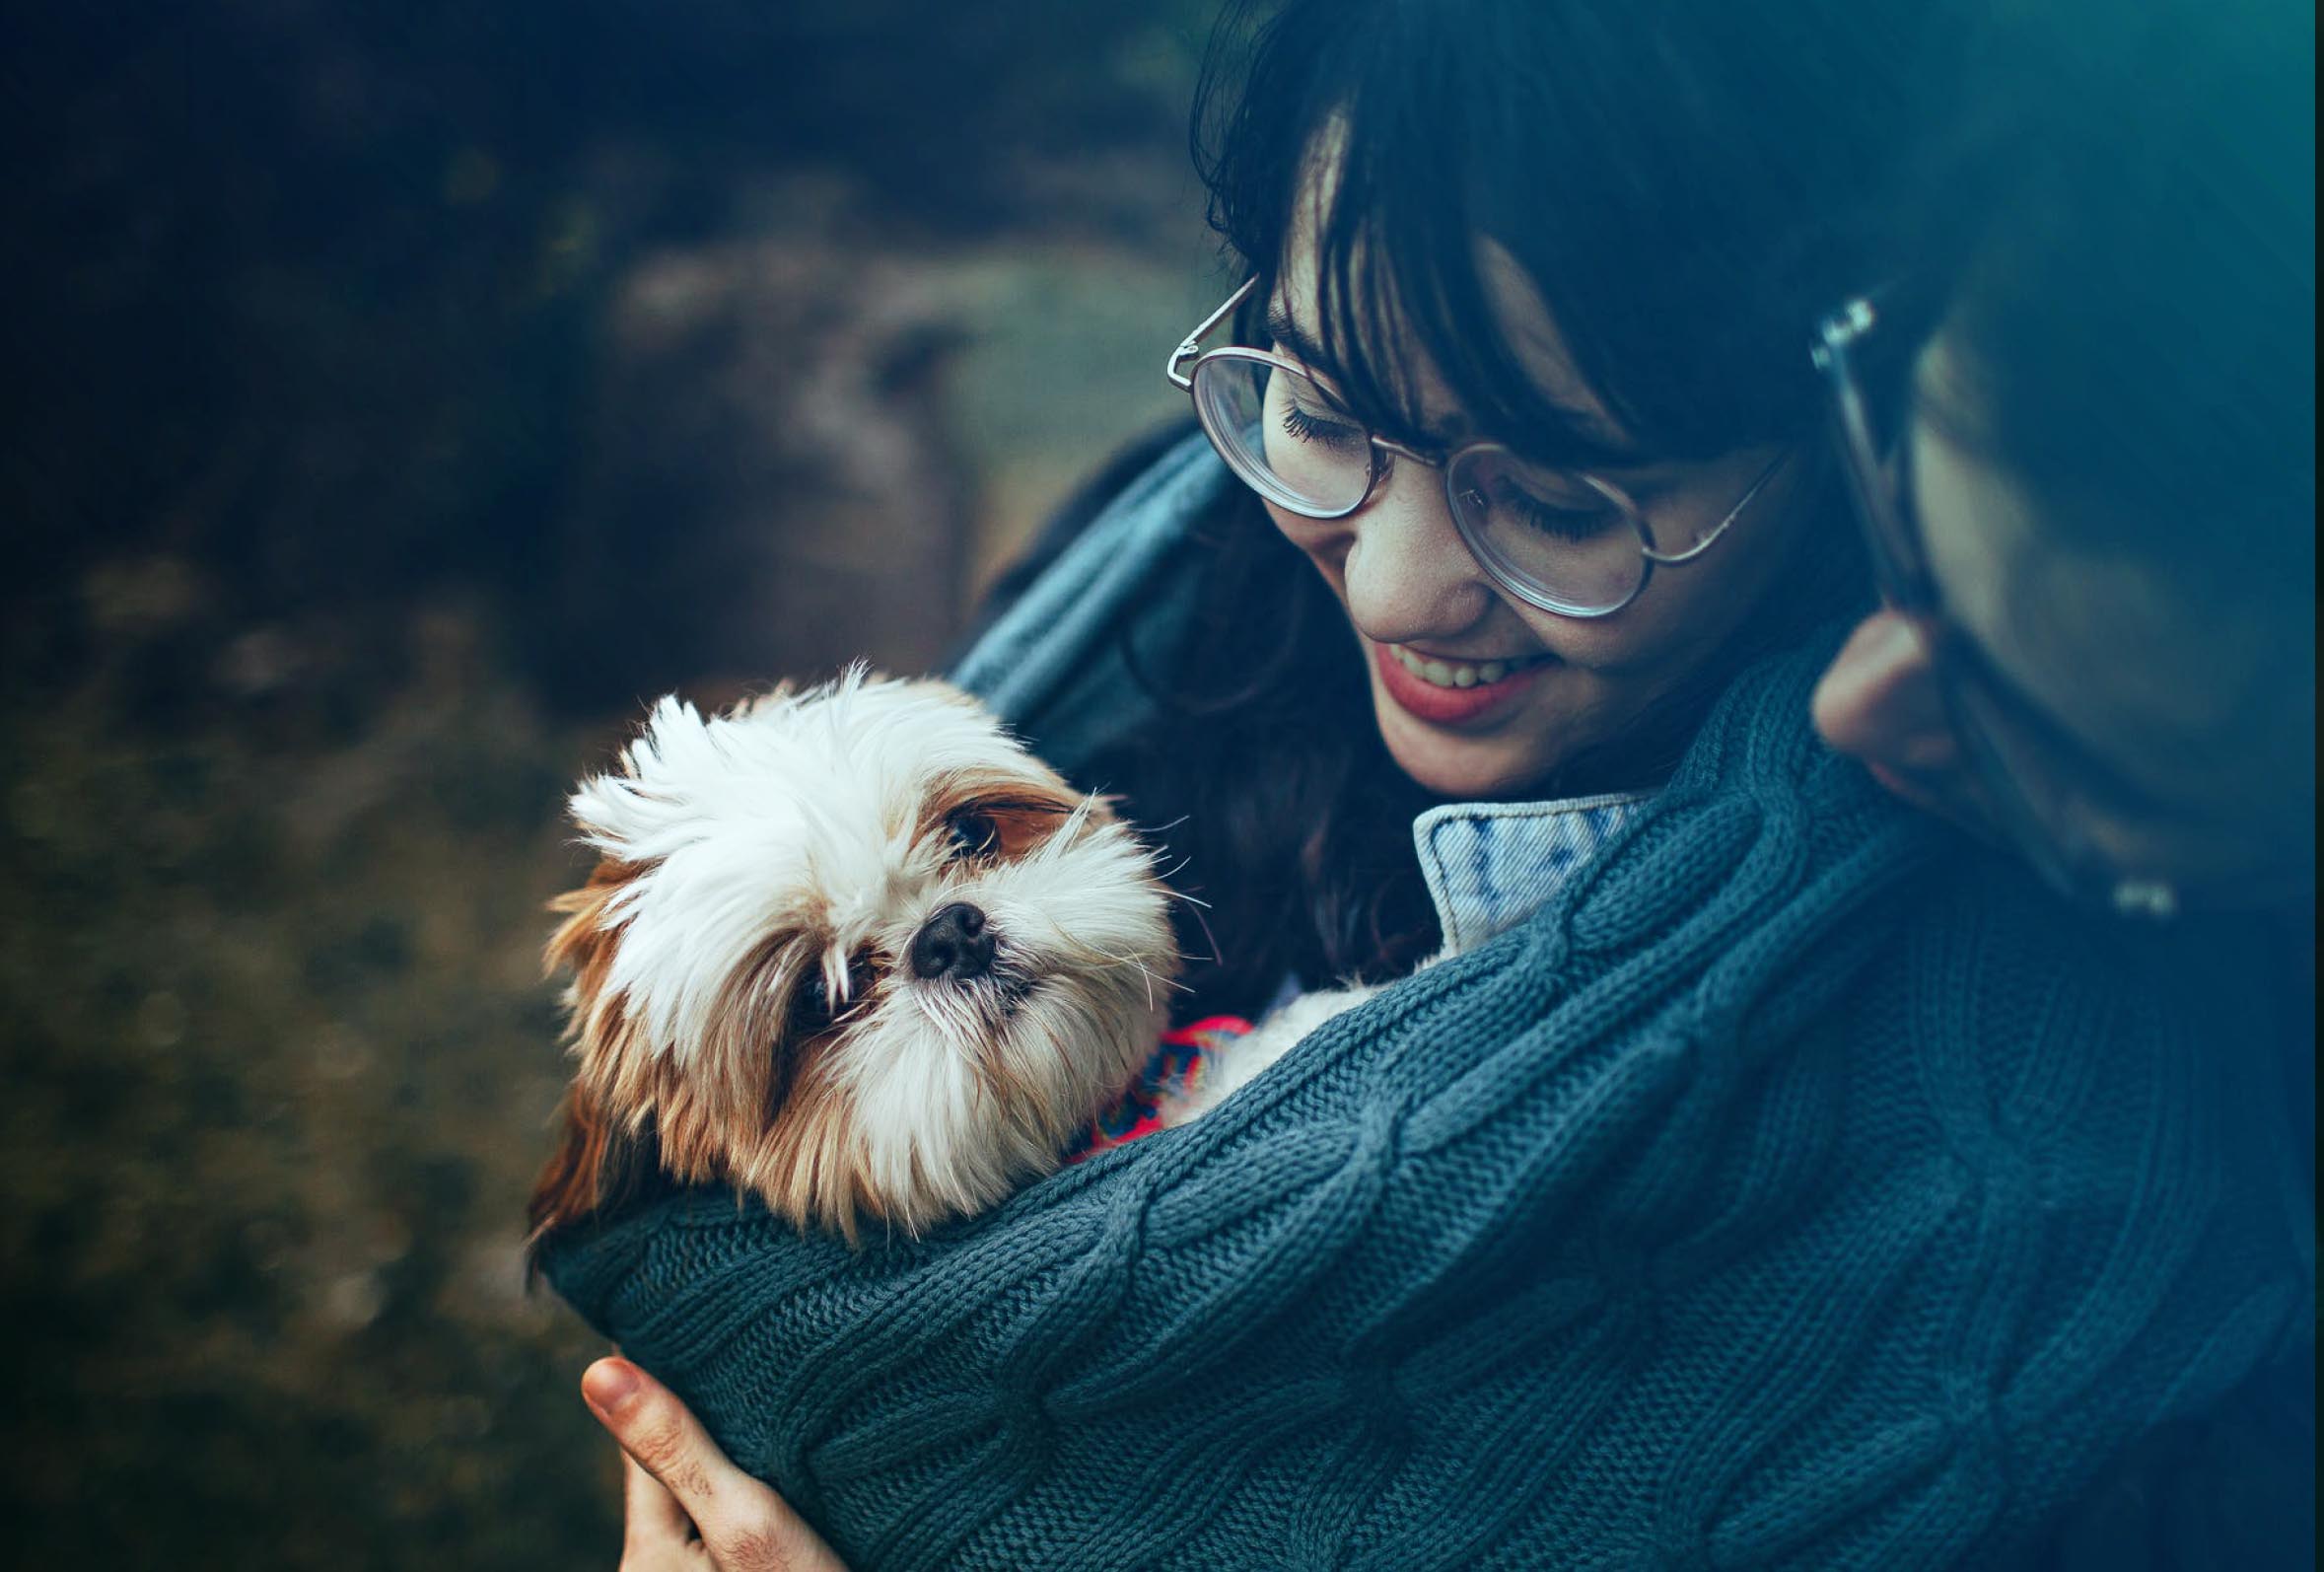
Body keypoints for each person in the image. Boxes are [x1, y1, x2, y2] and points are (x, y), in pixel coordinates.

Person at [540, 1, 2312, 1567]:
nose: (1390, 587)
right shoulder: (1153, 567)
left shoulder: (2083, 1035)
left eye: (1554, 500)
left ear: (1844, 433)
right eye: (1319, 406)